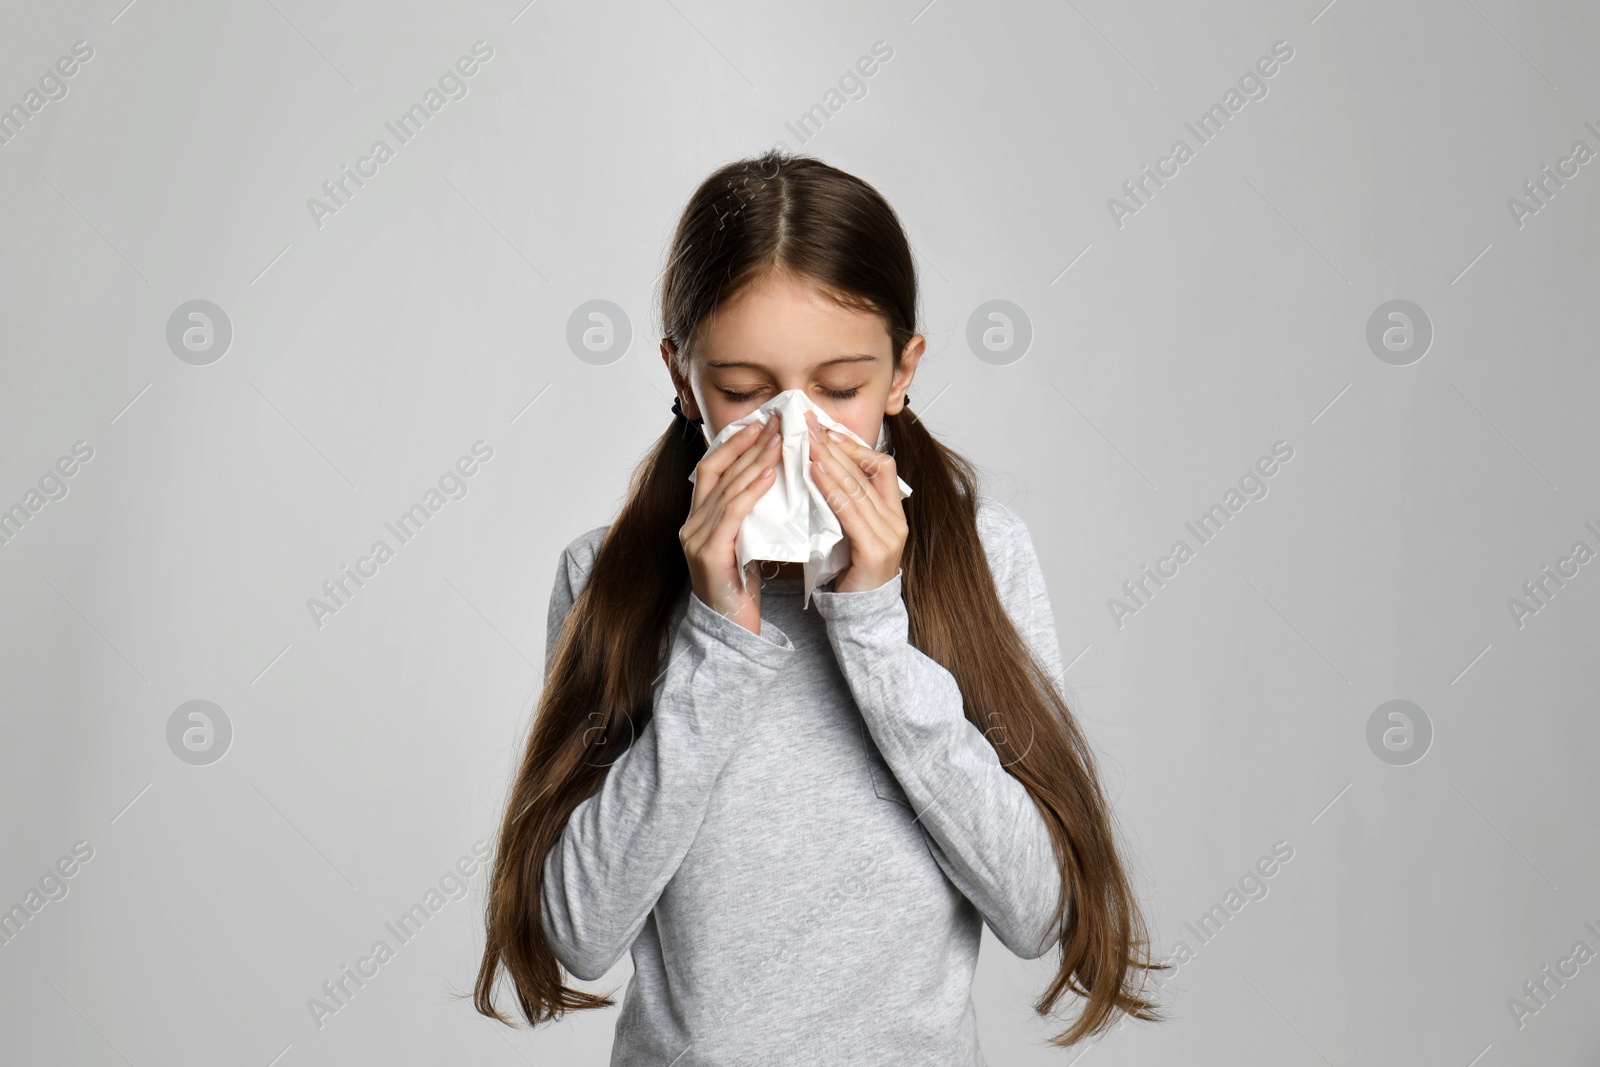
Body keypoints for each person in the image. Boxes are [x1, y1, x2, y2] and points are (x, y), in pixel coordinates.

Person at [472, 150, 1167, 1064]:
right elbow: (578, 930)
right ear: (684, 380)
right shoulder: (609, 575)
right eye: (747, 392)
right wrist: (718, 641)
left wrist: (875, 625)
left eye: (839, 390)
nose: (797, 428)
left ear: (901, 372)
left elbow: (1037, 911)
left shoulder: (983, 559)